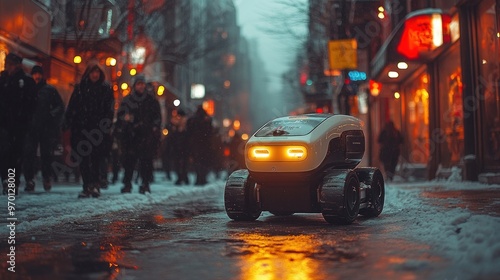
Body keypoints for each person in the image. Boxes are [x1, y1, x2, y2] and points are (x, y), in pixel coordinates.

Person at [62, 63, 114, 198]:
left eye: (97, 72)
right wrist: (67, 122)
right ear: (88, 74)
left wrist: (106, 125)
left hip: (97, 129)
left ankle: (95, 184)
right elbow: (72, 107)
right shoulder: (80, 89)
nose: (95, 75)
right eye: (92, 72)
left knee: (96, 158)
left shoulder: (105, 89)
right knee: (83, 158)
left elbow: (109, 110)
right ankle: (87, 185)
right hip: (81, 128)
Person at [114, 75, 161, 194]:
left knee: (146, 161)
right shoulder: (127, 100)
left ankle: (145, 183)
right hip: (130, 136)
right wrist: (126, 120)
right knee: (129, 161)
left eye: (142, 84)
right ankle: (127, 183)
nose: (141, 86)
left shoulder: (151, 100)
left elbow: (157, 117)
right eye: (138, 84)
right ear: (135, 86)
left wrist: (153, 128)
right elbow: (120, 116)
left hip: (146, 135)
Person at [23, 65, 65, 192]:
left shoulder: (49, 90)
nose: (37, 76)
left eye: (38, 74)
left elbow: (60, 106)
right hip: (31, 126)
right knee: (29, 154)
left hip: (45, 127)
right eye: (35, 74)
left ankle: (46, 178)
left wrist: (51, 115)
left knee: (46, 154)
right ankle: (30, 179)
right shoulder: (29, 89)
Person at [0, 53, 37, 195]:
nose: (8, 66)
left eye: (11, 64)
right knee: (5, 152)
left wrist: (26, 118)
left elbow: (32, 102)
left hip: (19, 124)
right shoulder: (3, 79)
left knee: (15, 153)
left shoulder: (25, 81)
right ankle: (6, 179)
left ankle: (12, 182)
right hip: (4, 123)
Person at [187, 105, 213, 185]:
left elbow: (189, 132)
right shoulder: (206, 120)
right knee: (204, 162)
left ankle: (198, 178)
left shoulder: (193, 120)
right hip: (205, 145)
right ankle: (202, 178)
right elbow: (210, 132)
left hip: (196, 144)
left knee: (197, 162)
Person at [170, 110, 190, 185]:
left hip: (181, 146)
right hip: (179, 146)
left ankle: (182, 177)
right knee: (180, 163)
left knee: (181, 162)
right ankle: (182, 177)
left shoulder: (183, 124)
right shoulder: (175, 124)